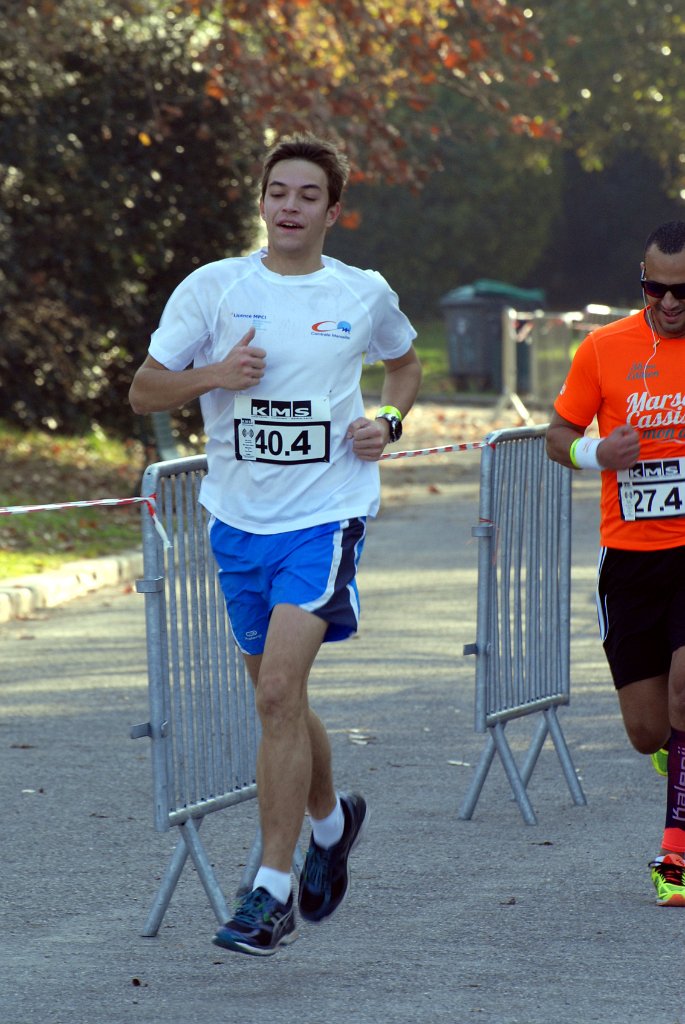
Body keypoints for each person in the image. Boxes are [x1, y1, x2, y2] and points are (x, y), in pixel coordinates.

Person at [128, 134, 422, 954]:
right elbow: (143, 389)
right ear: (260, 202)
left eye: (306, 195)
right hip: (236, 521)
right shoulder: (214, 288)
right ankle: (330, 824)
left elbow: (404, 367)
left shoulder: (362, 292)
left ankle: (271, 890)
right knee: (275, 696)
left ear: (333, 211)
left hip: (325, 517)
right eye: (277, 192)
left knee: (276, 693)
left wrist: (387, 421)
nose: (289, 206)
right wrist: (213, 376)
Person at [546, 220, 685, 907]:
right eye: (655, 289)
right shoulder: (603, 348)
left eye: (683, 291)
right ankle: (674, 749)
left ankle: (675, 854)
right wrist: (596, 453)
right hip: (629, 559)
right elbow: (557, 435)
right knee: (648, 730)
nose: (669, 303)